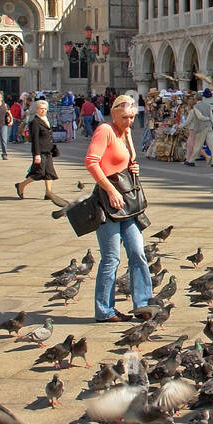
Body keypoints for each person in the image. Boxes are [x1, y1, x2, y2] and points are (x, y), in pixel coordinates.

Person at [85, 95, 152, 323]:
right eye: (124, 117)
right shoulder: (105, 130)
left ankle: (143, 304)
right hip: (107, 202)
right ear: (113, 113)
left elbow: (123, 161)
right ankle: (104, 310)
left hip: (128, 202)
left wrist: (132, 165)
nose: (128, 121)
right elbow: (91, 162)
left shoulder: (127, 132)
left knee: (138, 252)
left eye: (132, 117)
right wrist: (111, 190)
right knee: (111, 258)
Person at [16, 99, 60, 200]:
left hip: (48, 150)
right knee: (39, 172)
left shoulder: (45, 119)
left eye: (45, 109)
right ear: (36, 109)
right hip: (40, 151)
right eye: (41, 109)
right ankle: (21, 185)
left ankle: (48, 192)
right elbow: (34, 138)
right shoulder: (35, 121)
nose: (43, 110)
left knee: (49, 172)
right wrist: (37, 154)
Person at [183, 90, 213, 167]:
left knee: (198, 145)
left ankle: (191, 161)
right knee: (211, 144)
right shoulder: (208, 106)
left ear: (196, 99)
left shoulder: (195, 107)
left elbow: (200, 117)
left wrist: (181, 126)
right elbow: (212, 118)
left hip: (201, 128)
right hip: (209, 127)